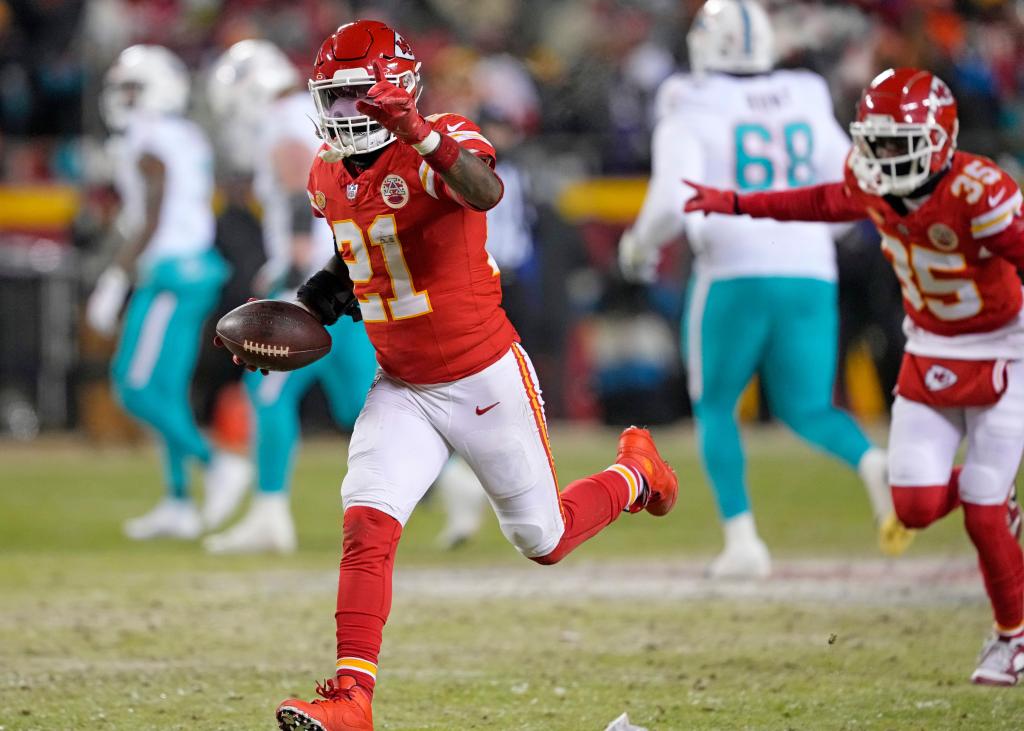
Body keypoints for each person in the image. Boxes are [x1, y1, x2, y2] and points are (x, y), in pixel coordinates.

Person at [220, 21, 679, 730]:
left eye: (354, 100)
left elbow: (484, 189)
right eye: (331, 101)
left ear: (395, 93)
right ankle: (351, 698)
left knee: (544, 538)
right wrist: (304, 310)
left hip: (481, 375)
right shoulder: (325, 172)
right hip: (401, 383)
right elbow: (358, 259)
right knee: (367, 523)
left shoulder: (439, 138)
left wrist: (415, 131)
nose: (341, 117)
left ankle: (637, 474)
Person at [685, 67, 1024, 686]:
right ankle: (993, 500)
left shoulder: (982, 192)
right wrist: (733, 201)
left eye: (897, 142)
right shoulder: (871, 183)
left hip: (1004, 348)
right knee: (915, 506)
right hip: (930, 349)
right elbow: (817, 201)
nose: (881, 155)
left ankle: (1012, 638)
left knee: (979, 511)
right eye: (875, 139)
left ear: (940, 140)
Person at [619, 0, 906, 579]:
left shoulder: (687, 97)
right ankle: (871, 461)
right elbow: (852, 178)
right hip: (809, 267)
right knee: (807, 407)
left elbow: (670, 203)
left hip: (732, 266)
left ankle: (743, 540)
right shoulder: (804, 91)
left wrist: (638, 248)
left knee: (716, 406)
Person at [204, 40, 487, 553]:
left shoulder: (285, 120)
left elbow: (295, 190)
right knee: (359, 404)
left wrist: (288, 272)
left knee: (266, 394)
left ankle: (270, 514)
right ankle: (456, 480)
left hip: (320, 281)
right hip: (355, 281)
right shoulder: (309, 114)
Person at [87, 45, 250, 540]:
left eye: (132, 88)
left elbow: (154, 213)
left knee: (133, 386)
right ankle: (179, 502)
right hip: (194, 265)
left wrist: (116, 277)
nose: (123, 98)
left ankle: (216, 462)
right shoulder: (184, 135)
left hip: (171, 273)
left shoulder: (151, 137)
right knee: (168, 393)